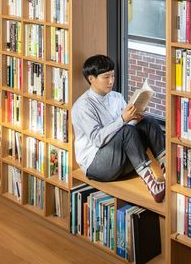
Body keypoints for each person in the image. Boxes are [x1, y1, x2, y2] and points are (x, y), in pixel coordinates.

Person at [71, 54, 166, 202]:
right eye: (106, 77)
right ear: (91, 79)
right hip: (97, 165)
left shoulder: (116, 97)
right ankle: (152, 184)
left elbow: (127, 132)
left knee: (148, 121)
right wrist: (123, 120)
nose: (111, 81)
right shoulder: (83, 106)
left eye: (113, 76)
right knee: (126, 130)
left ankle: (167, 171)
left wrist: (135, 119)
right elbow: (97, 140)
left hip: (123, 160)